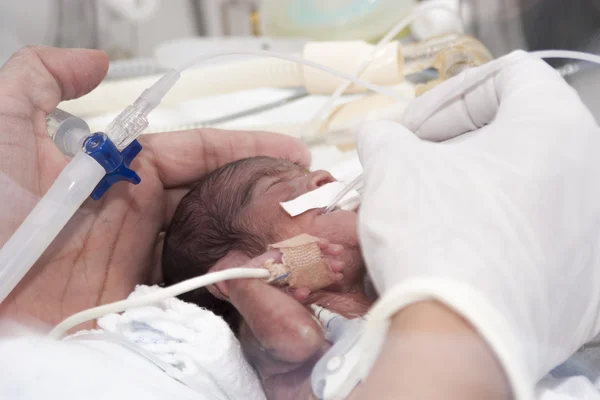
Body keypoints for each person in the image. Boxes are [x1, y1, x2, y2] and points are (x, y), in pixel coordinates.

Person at [0, 43, 599, 400]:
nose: (322, 180)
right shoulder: (281, 330)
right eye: (283, 191)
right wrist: (253, 286)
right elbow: (298, 342)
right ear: (258, 267)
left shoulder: (397, 277)